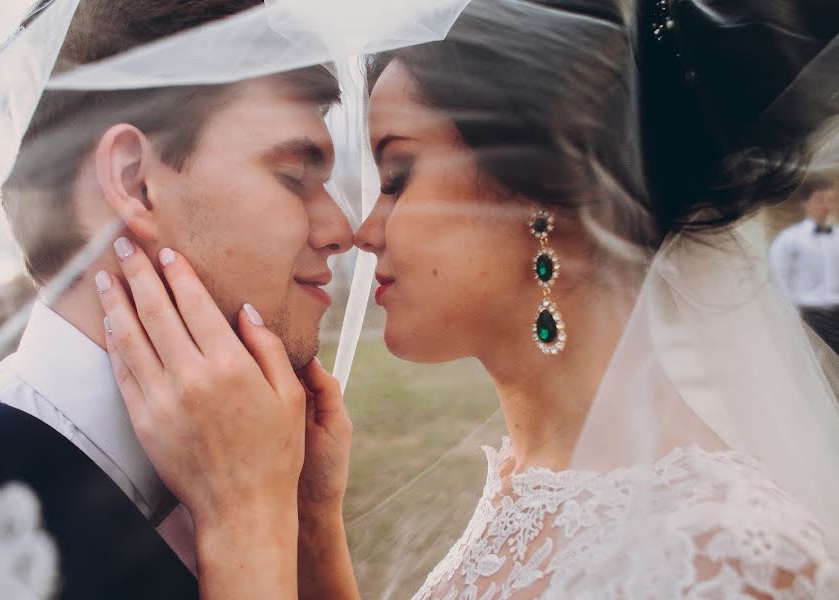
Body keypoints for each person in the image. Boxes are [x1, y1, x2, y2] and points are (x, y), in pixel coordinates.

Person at [95, 0, 839, 598]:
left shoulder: (724, 558)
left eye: (399, 176)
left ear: (550, 196)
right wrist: (315, 529)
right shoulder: (532, 481)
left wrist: (240, 521)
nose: (361, 230)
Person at [0, 1, 353, 598]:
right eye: (293, 177)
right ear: (136, 183)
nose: (341, 228)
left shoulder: (266, 469)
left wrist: (303, 525)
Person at [770, 176, 839, 353]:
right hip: (811, 314)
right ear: (805, 202)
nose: (826, 206)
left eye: (830, 200)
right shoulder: (789, 239)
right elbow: (780, 278)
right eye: (819, 200)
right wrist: (792, 316)